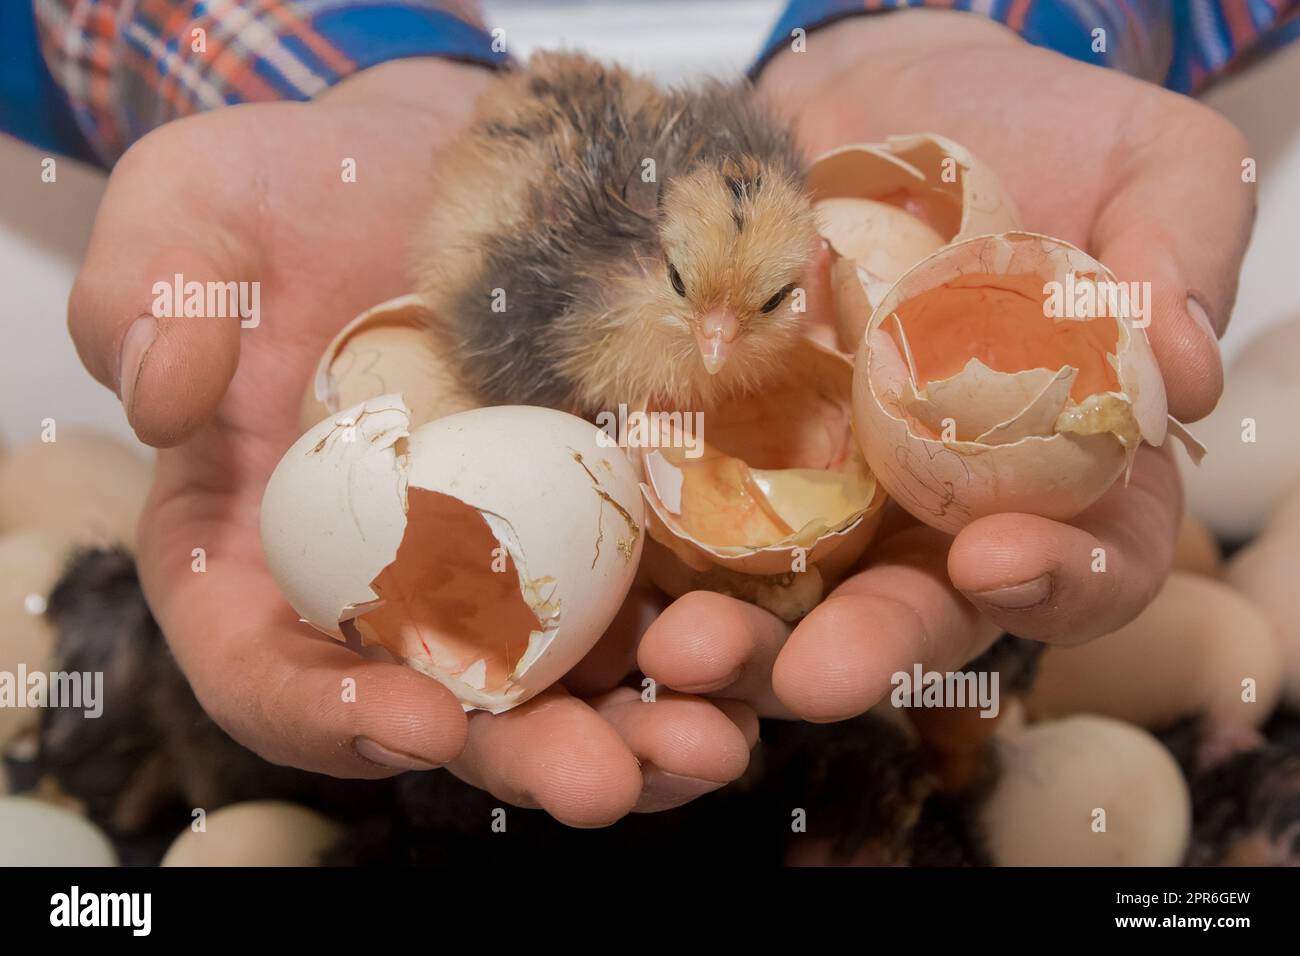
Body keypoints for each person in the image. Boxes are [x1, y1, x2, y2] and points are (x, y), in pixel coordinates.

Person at [0, 0, 1289, 826]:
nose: (722, 336)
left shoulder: (768, 274)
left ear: (821, 275)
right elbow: (510, 342)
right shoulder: (583, 301)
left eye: (772, 304)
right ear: (651, 255)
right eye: (692, 296)